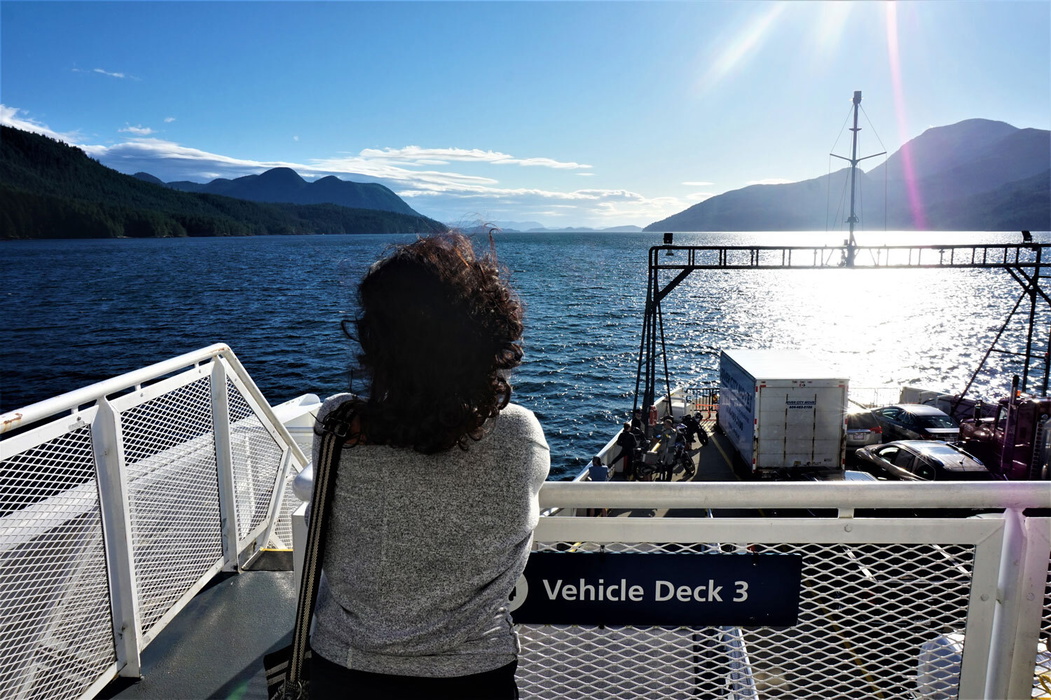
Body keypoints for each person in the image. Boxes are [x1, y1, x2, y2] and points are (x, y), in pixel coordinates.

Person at [308, 233, 550, 699]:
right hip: (473, 677)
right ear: (486, 332)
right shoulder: (518, 434)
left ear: (376, 339)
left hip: (345, 671)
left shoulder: (338, 424)